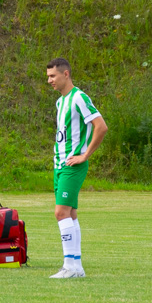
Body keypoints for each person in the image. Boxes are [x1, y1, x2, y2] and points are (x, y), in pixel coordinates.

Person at [46, 58, 108, 279]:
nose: (49, 80)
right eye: (48, 77)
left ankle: (70, 267)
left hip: (73, 165)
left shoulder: (79, 98)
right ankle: (76, 266)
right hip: (60, 164)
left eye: (53, 76)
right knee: (70, 213)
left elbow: (101, 127)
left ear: (66, 74)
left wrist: (85, 155)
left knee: (60, 212)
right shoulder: (60, 102)